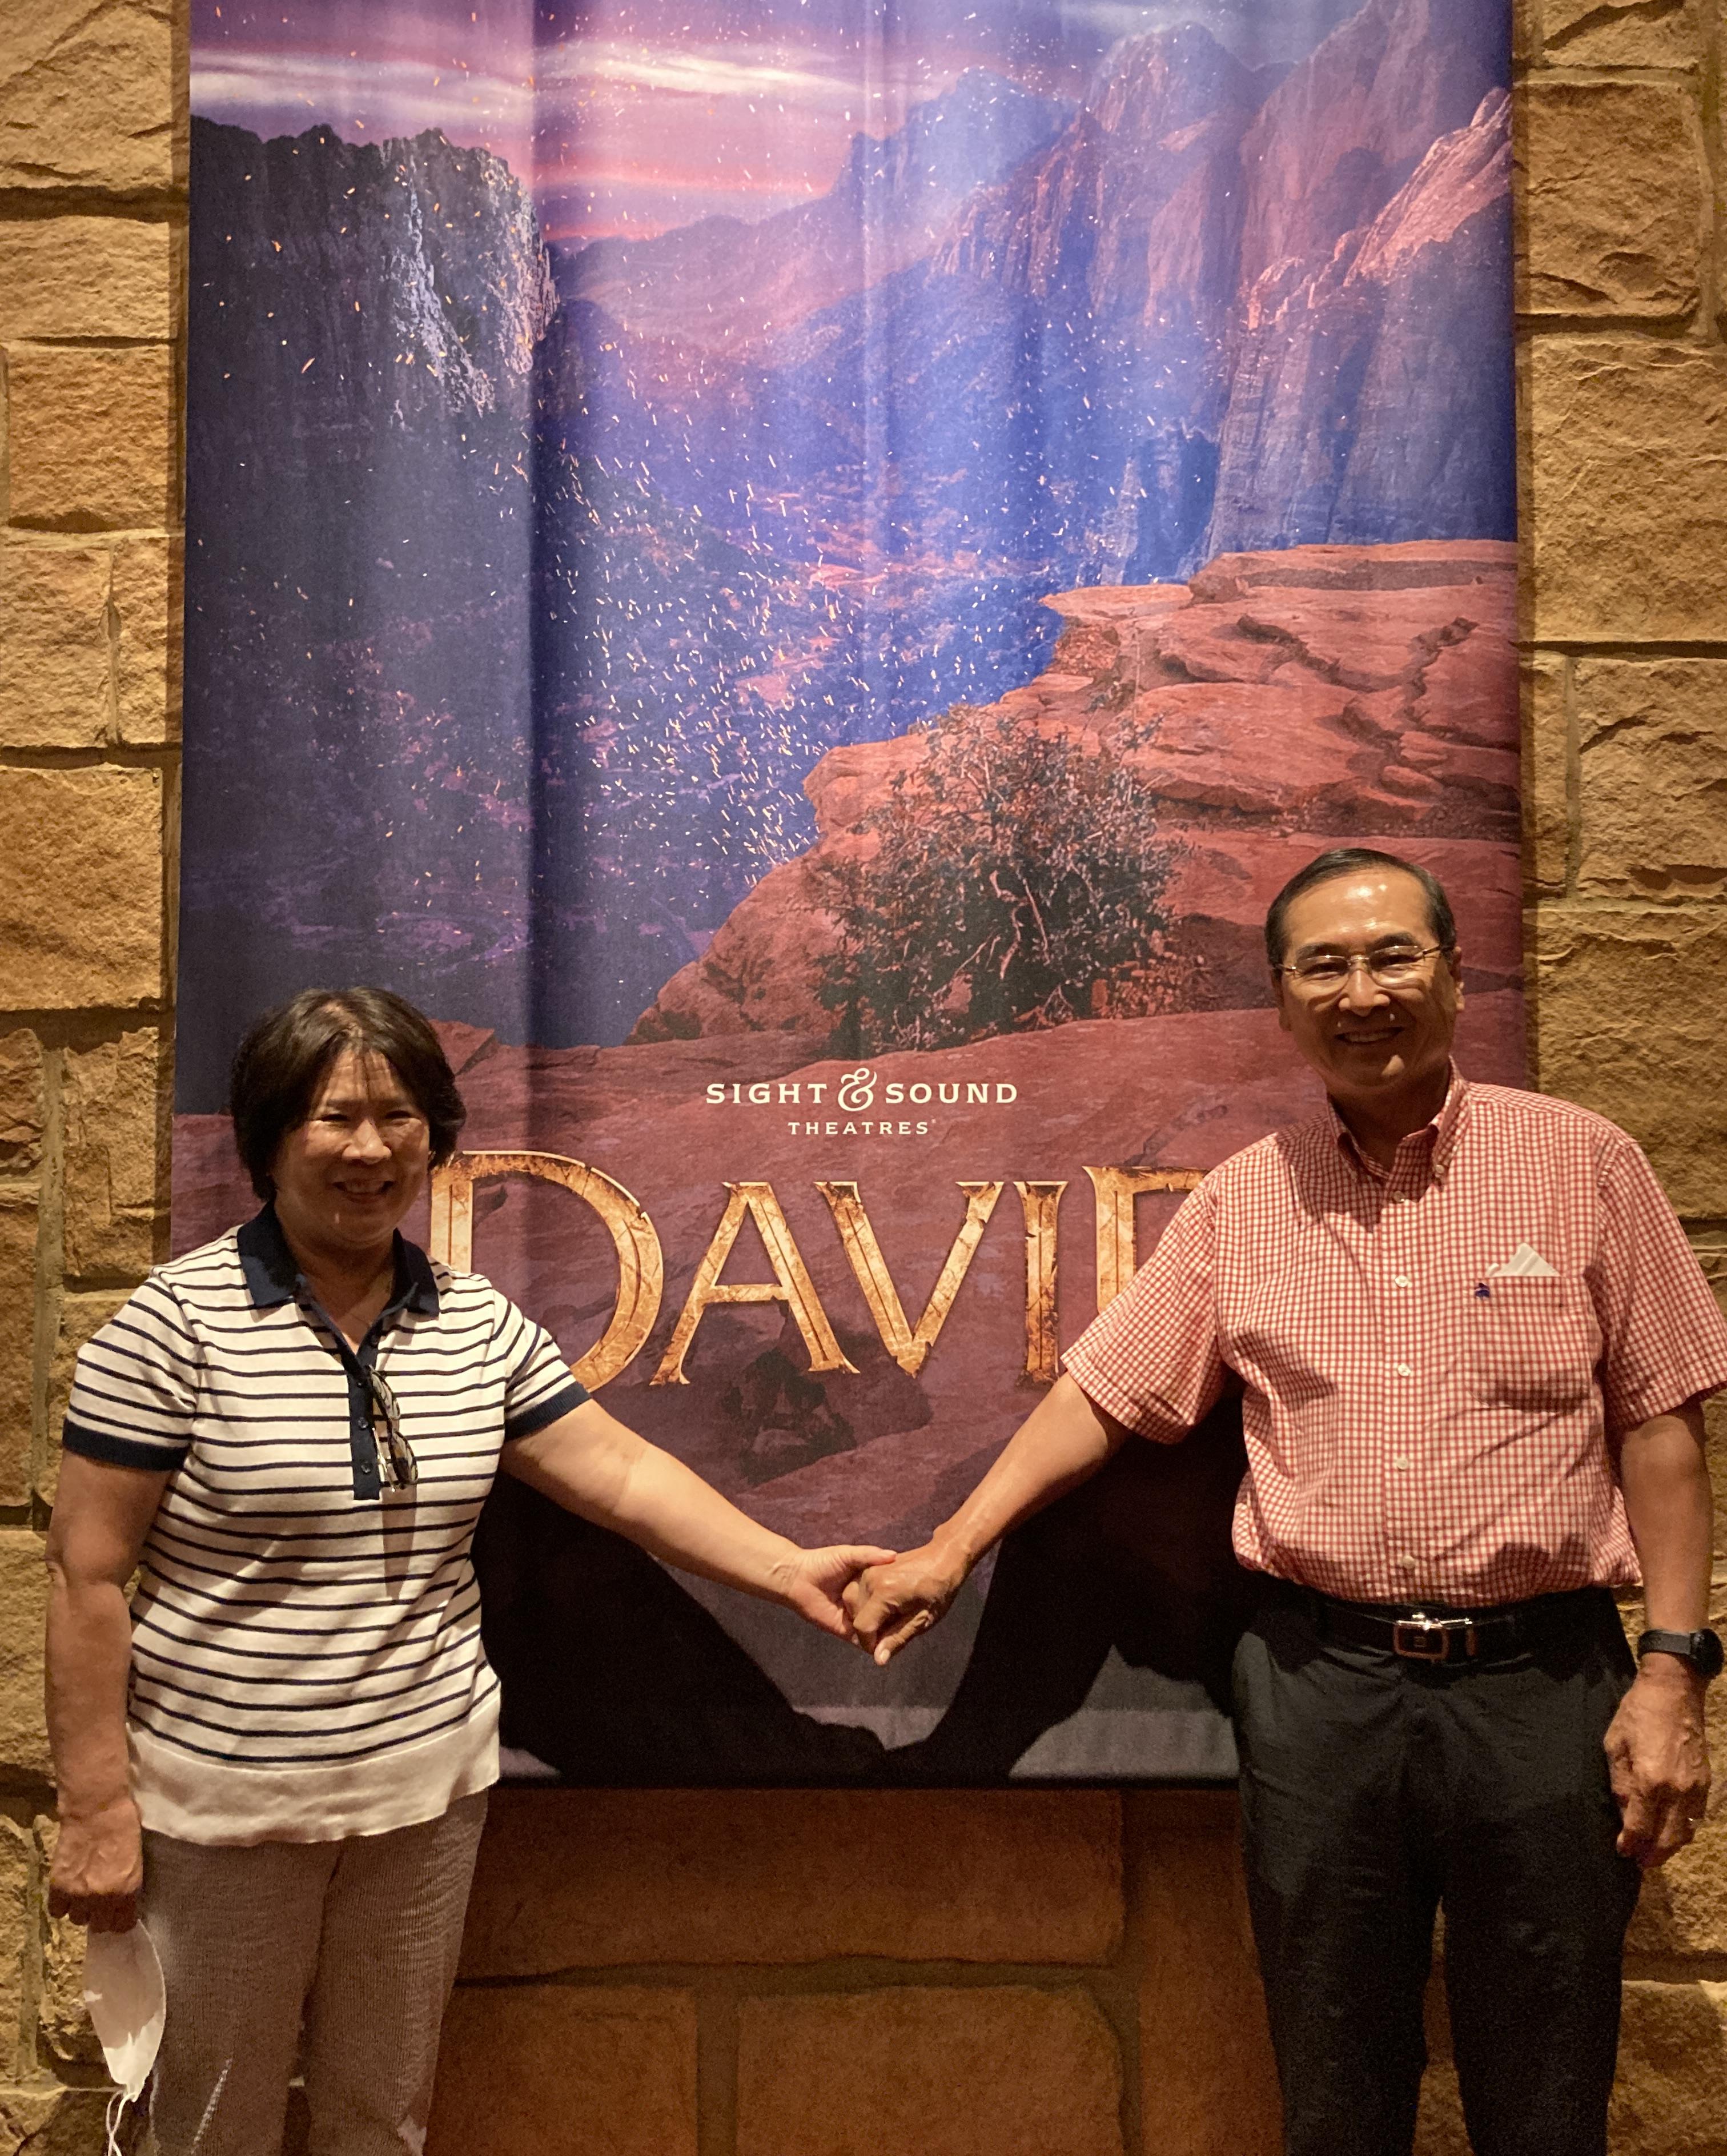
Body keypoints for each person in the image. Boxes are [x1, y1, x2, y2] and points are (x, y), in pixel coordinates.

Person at [846, 845, 1725, 2156]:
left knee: (1547, 2093)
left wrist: (1672, 1670)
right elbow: (1105, 1395)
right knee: (1333, 2087)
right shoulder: (1243, 1202)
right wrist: (950, 1548)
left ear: (1455, 974)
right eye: (1325, 967)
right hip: (1323, 1694)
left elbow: (1662, 1426)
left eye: (1393, 957)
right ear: (1282, 1001)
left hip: (1545, 1690)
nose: (1362, 993)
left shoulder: (1584, 1163)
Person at [45, 987, 890, 2156]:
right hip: (225, 1817)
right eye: (335, 1116)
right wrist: (94, 1809)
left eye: (399, 1117)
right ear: (269, 1138)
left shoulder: (476, 1322)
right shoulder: (169, 1328)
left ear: (435, 1138)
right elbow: (86, 1580)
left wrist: (787, 1567)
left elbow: (620, 1473)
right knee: (207, 2130)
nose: (370, 1149)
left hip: (425, 1803)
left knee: (382, 2121)